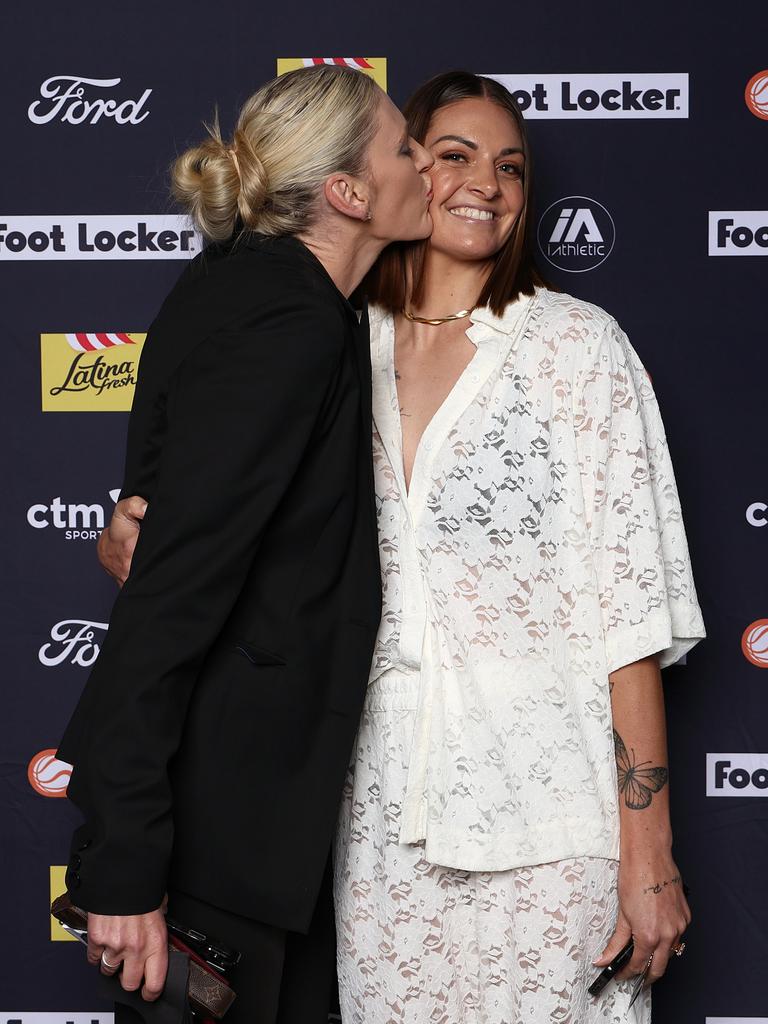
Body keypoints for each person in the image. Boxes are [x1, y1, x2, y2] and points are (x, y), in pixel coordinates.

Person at [102, 72, 706, 1023]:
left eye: (511, 165)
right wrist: (145, 499)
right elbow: (213, 381)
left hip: (551, 829)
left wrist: (650, 849)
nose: (482, 183)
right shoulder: (335, 339)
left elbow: (628, 615)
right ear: (398, 177)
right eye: (447, 155)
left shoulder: (579, 347)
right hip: (375, 834)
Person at [56, 63, 433, 1024]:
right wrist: (131, 864)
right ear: (348, 193)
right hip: (215, 840)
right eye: (403, 147)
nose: (424, 161)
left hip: (256, 839)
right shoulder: (288, 322)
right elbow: (171, 594)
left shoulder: (251, 287)